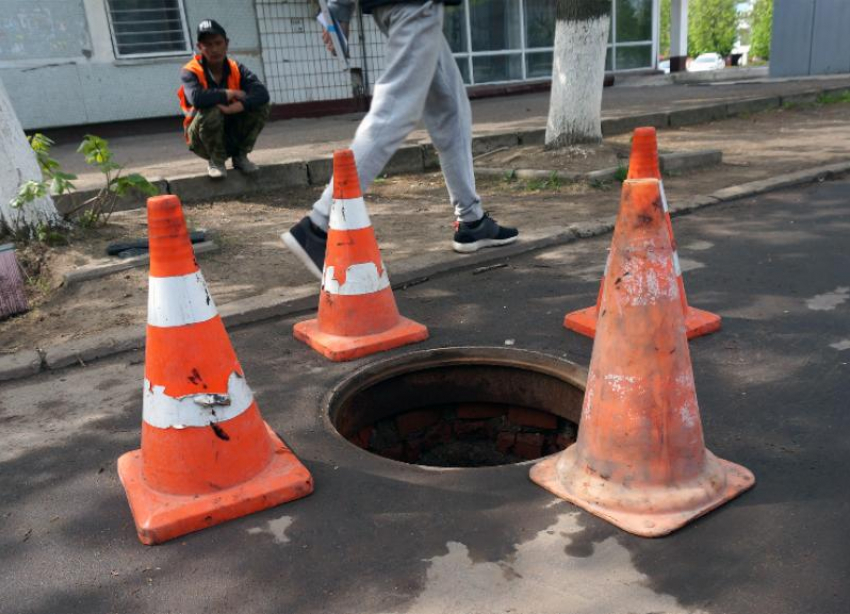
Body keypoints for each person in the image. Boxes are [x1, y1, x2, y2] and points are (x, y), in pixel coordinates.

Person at [282, 0, 518, 280]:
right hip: (415, 4)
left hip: (407, 6)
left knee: (450, 110)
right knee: (396, 110)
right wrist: (337, 9)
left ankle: (472, 220)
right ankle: (317, 226)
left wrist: (339, 9)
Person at [178, 19, 271, 179]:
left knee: (260, 106)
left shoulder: (237, 68)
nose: (214, 49)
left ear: (226, 44)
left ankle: (240, 157)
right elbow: (197, 98)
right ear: (200, 47)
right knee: (211, 108)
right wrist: (229, 93)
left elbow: (262, 94)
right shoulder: (190, 71)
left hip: (230, 133)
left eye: (218, 43)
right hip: (201, 139)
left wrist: (237, 106)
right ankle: (216, 161)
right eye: (208, 45)